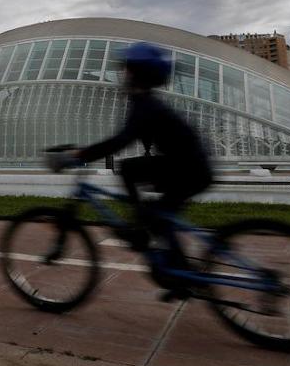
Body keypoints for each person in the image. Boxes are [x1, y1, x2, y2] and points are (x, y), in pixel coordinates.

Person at [50, 42, 213, 293]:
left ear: (137, 73)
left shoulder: (145, 105)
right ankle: (177, 272)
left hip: (188, 169)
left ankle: (141, 230)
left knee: (130, 170)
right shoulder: (147, 103)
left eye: (127, 69)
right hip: (191, 167)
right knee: (159, 217)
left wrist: (79, 155)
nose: (122, 74)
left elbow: (120, 141)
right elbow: (124, 139)